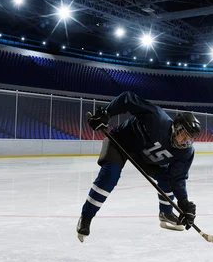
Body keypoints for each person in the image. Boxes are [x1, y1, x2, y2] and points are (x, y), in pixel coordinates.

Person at [76, 91, 201, 243]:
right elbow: (127, 99)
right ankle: (86, 217)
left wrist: (183, 204)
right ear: (176, 127)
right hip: (121, 142)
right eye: (183, 135)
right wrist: (107, 113)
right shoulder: (157, 118)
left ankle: (166, 213)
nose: (184, 142)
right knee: (110, 176)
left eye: (189, 139)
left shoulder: (186, 152)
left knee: (167, 179)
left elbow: (177, 178)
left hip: (145, 157)